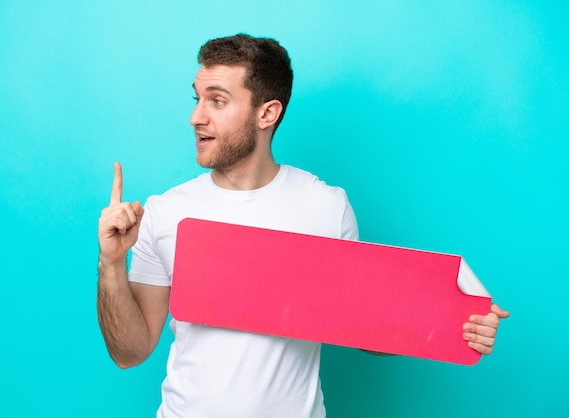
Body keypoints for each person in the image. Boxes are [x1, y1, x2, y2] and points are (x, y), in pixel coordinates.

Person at [97, 34, 509, 418]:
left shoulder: (325, 207)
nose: (195, 117)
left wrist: (454, 321)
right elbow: (129, 352)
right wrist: (111, 263)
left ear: (267, 113)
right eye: (197, 98)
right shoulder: (167, 210)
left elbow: (367, 327)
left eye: (217, 101)